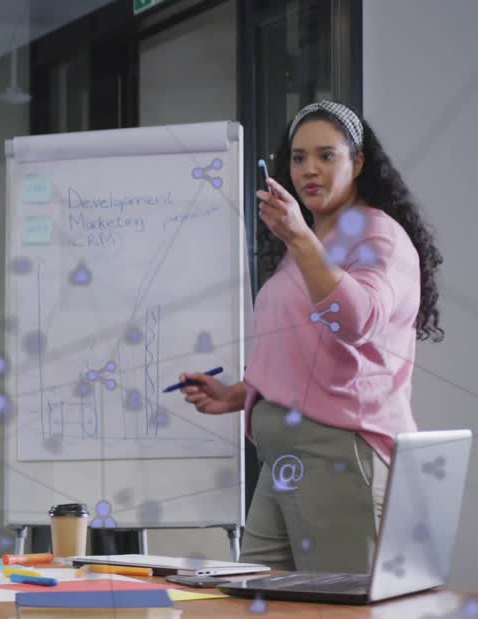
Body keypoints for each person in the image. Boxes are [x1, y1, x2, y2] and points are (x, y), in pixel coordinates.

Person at [179, 100, 444, 574]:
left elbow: (355, 321)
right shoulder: (311, 243)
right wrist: (237, 393)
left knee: (336, 610)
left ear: (357, 163)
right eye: (298, 158)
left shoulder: (378, 237)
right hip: (284, 455)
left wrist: (300, 239)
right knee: (255, 597)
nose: (309, 170)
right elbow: (307, 354)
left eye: (327, 155)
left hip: (337, 451)